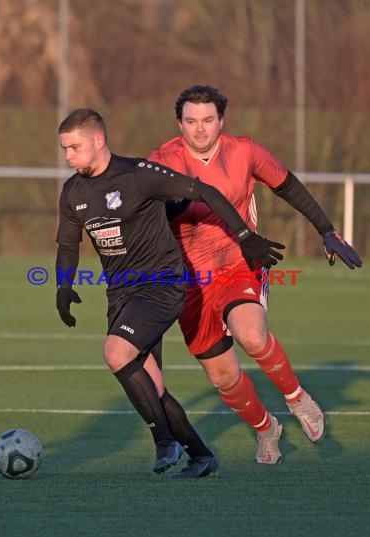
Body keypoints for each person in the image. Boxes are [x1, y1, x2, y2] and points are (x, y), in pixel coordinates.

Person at [55, 107, 286, 477]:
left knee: (116, 352)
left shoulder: (138, 174)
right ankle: (200, 455)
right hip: (122, 295)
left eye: (74, 147)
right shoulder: (73, 192)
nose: (68, 156)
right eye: (65, 149)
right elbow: (68, 246)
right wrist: (63, 286)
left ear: (98, 140)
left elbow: (205, 191)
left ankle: (165, 441)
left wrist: (245, 237)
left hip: (162, 284)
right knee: (152, 386)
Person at [149, 84, 362, 465]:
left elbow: (288, 186)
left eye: (208, 120)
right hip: (191, 281)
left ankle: (297, 398)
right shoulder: (163, 160)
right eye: (191, 121)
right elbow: (145, 212)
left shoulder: (244, 150)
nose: (200, 129)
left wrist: (326, 230)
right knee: (224, 378)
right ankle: (267, 429)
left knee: (250, 332)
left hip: (240, 262)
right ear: (179, 123)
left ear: (221, 121)